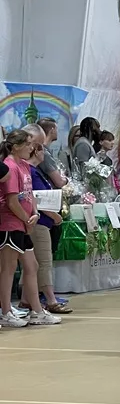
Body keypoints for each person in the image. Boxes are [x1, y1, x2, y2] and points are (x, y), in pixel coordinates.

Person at [0, 130, 61, 327]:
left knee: (32, 265)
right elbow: (12, 200)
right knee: (8, 269)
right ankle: (6, 311)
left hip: (25, 223)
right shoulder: (10, 167)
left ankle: (36, 311)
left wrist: (34, 212)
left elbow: (29, 194)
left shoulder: (24, 165)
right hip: (11, 223)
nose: (31, 148)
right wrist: (27, 219)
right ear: (16, 146)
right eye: (27, 144)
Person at [21, 125, 69, 314]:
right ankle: (49, 299)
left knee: (32, 264)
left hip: (40, 220)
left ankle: (27, 299)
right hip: (38, 221)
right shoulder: (31, 172)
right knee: (43, 262)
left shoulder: (34, 171)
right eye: (40, 146)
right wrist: (52, 214)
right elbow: (36, 198)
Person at [36, 118, 67, 189]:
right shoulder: (44, 153)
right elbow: (59, 182)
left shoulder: (44, 150)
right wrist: (66, 180)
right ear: (52, 130)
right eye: (57, 129)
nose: (57, 132)